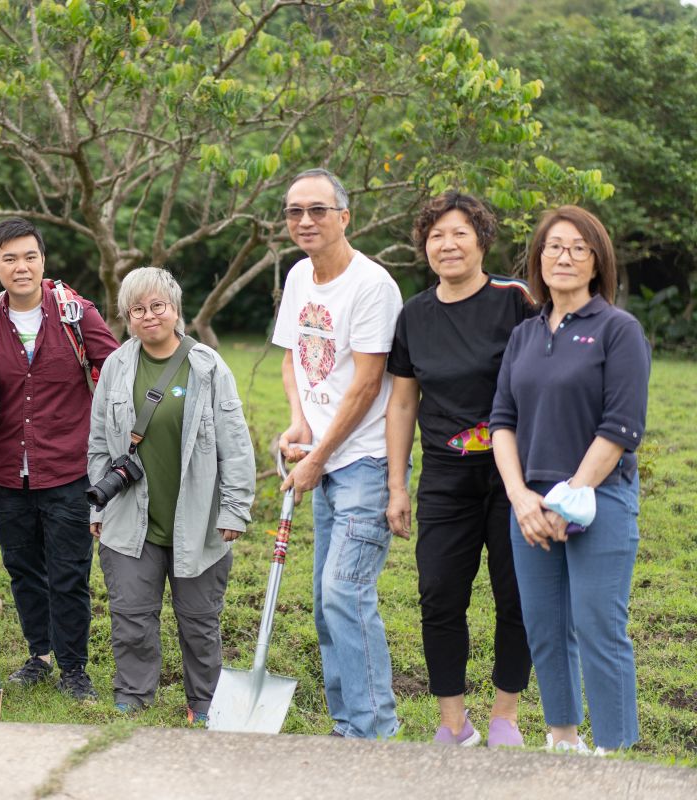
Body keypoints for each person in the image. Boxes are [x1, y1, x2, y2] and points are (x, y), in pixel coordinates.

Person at [491, 206, 650, 755]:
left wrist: (571, 497)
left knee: (598, 625)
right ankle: (563, 741)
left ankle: (616, 754)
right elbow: (502, 422)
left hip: (599, 499)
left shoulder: (618, 330)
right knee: (544, 626)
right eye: (554, 246)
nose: (564, 256)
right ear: (538, 258)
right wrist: (521, 499)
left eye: (579, 247)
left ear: (596, 262)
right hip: (531, 504)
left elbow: (620, 428)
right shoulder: (525, 335)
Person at [384, 192, 536, 747]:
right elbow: (402, 403)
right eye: (435, 236)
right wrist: (397, 484)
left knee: (515, 594)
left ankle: (505, 718)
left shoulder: (515, 301)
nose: (446, 245)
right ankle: (454, 725)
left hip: (515, 474)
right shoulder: (414, 315)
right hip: (447, 476)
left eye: (459, 233)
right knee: (439, 593)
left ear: (482, 240)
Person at [88, 267, 255, 724]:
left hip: (199, 517)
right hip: (129, 515)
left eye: (157, 306)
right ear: (126, 316)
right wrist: (95, 505)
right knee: (131, 615)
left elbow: (235, 442)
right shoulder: (118, 367)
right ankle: (133, 695)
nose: (148, 316)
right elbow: (100, 442)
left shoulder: (207, 365)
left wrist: (236, 508)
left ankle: (204, 703)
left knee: (200, 621)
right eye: (137, 309)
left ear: (175, 309)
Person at [272, 168, 403, 739]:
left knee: (344, 591)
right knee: (327, 602)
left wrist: (317, 456)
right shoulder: (300, 276)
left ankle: (375, 731)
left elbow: (368, 385)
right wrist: (300, 420)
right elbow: (291, 358)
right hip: (320, 459)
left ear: (345, 216)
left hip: (363, 463)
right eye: (295, 211)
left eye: (319, 210)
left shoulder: (373, 286)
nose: (306, 220)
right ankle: (347, 724)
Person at [0, 218, 119, 701]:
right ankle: (39, 654)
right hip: (6, 472)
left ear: (43, 261)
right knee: (22, 569)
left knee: (70, 571)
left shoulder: (76, 314)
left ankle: (74, 668)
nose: (22, 267)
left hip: (67, 469)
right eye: (10, 258)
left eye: (29, 256)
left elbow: (114, 367)